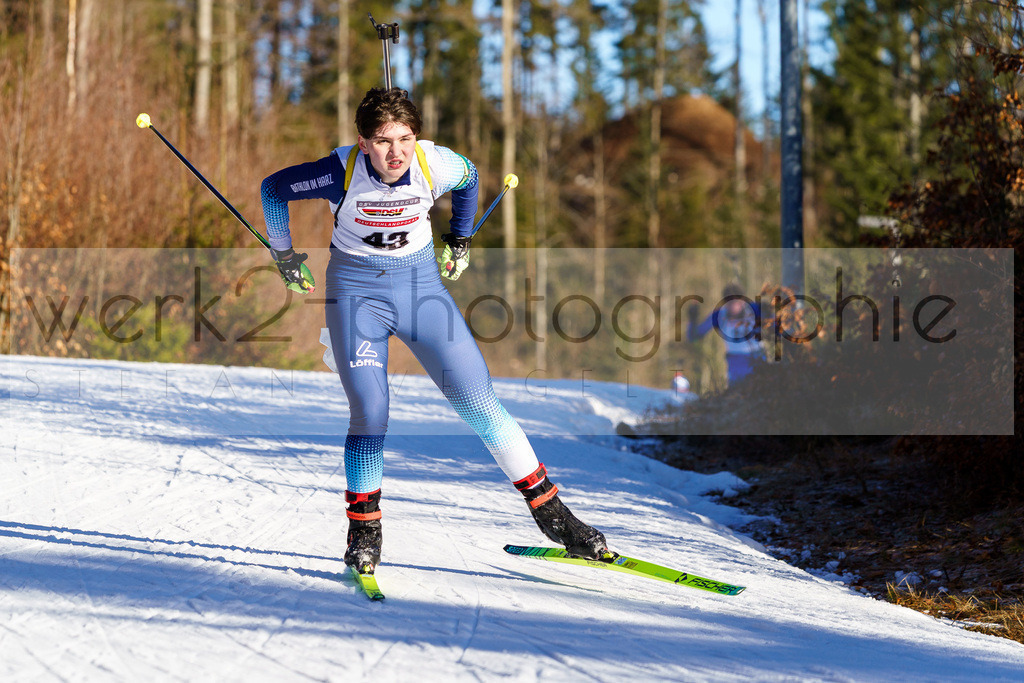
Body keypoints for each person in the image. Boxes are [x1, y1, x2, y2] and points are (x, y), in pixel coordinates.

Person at [259, 87, 607, 573]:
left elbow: (471, 177)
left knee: (480, 401)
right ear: (363, 142)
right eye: (383, 141)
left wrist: (459, 238)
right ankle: (364, 533)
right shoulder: (340, 170)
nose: (396, 152)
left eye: (405, 138)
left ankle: (555, 517)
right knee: (371, 412)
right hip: (356, 295)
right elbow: (273, 189)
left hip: (420, 289)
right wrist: (284, 254)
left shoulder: (434, 163)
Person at [687, 283, 765, 386]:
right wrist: (693, 319)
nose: (732, 307)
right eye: (729, 303)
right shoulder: (720, 315)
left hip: (758, 360)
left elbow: (778, 325)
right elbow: (694, 336)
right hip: (736, 365)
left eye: (736, 302)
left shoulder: (755, 311)